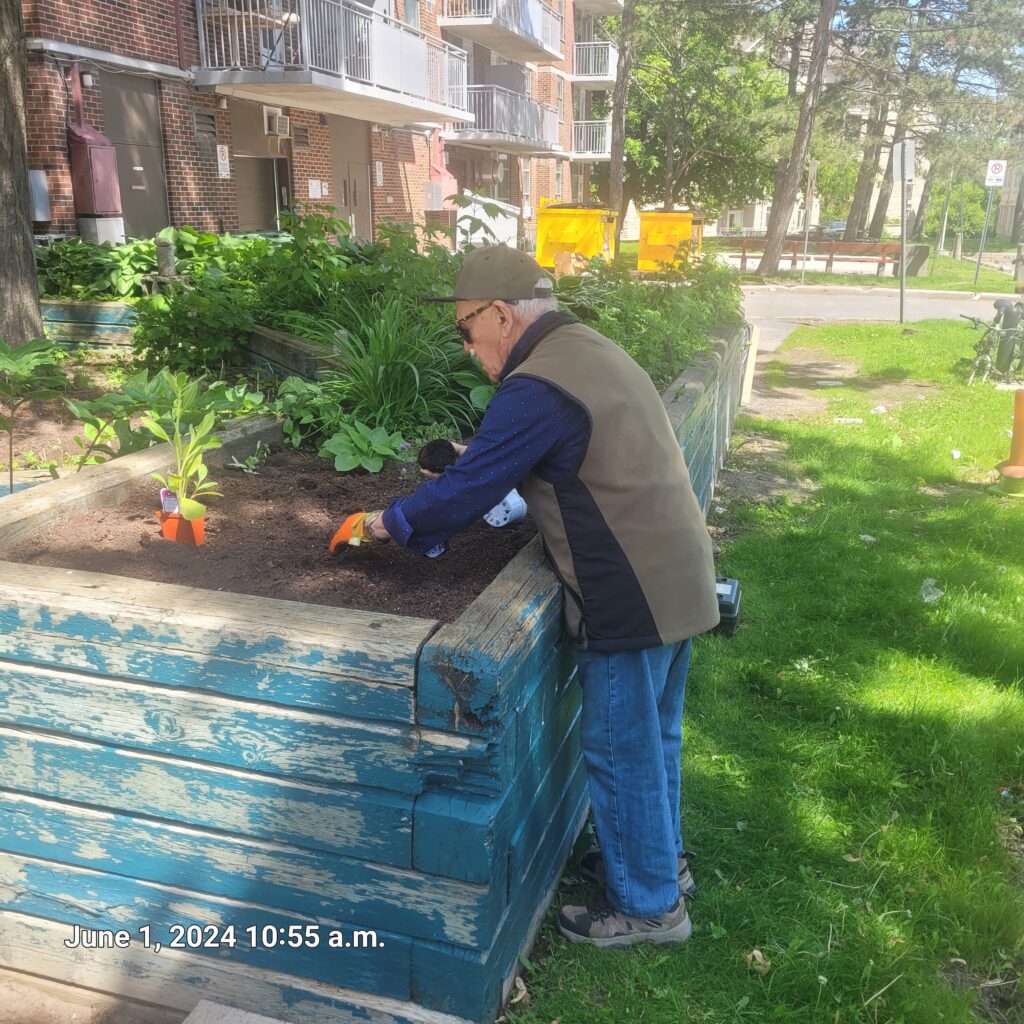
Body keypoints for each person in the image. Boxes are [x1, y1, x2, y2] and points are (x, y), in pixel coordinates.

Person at [331, 245, 720, 948]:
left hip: (628, 586)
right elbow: (529, 457)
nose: (468, 348)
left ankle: (649, 909)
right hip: (677, 570)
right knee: (654, 736)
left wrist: (387, 523)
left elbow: (468, 491)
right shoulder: (585, 349)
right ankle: (661, 866)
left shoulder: (536, 384)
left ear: (501, 315)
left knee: (618, 746)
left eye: (465, 331)